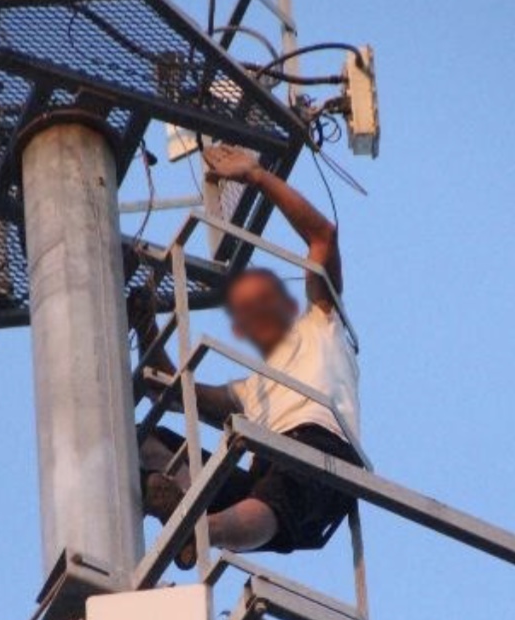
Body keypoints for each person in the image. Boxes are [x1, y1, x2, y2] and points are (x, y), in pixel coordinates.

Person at [131, 144, 363, 569]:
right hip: (264, 461)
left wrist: (257, 176)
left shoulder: (323, 323)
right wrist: (146, 327)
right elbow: (172, 390)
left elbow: (322, 236)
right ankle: (179, 508)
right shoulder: (254, 387)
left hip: (320, 448)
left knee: (279, 496)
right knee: (143, 442)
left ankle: (198, 532)